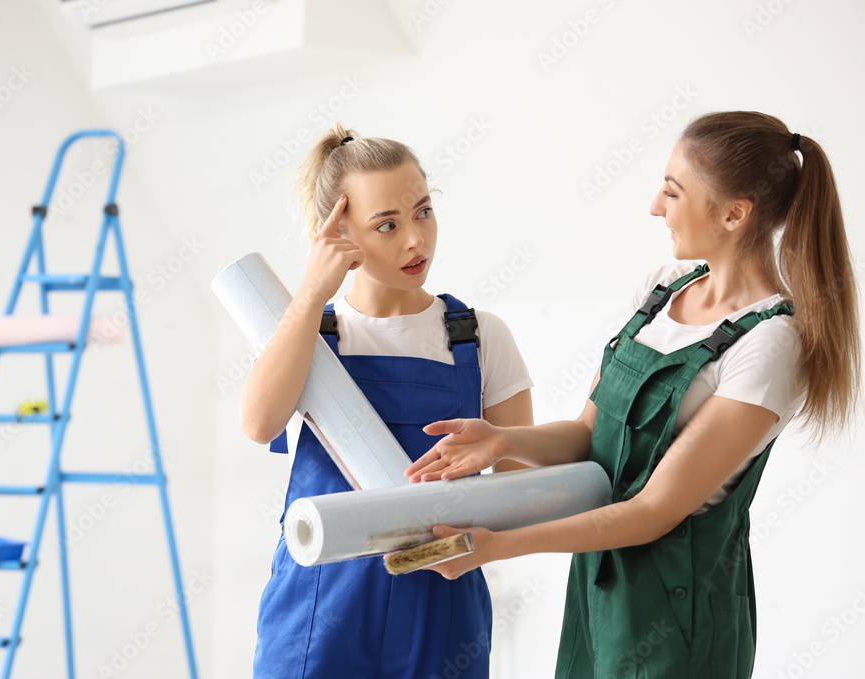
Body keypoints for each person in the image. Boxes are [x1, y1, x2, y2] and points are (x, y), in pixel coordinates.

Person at [404, 111, 861, 678]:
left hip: (680, 611)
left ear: (734, 213)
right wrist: (501, 441)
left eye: (673, 192)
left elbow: (654, 511)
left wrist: (497, 545)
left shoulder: (770, 344)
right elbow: (585, 435)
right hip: (599, 589)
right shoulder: (662, 288)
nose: (654, 207)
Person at [240, 123, 534, 678]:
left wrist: (480, 537)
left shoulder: (479, 337)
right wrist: (310, 295)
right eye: (387, 225)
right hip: (318, 603)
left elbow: (521, 488)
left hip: (441, 600)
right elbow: (259, 423)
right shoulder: (310, 334)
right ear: (338, 234)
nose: (415, 240)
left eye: (423, 211)